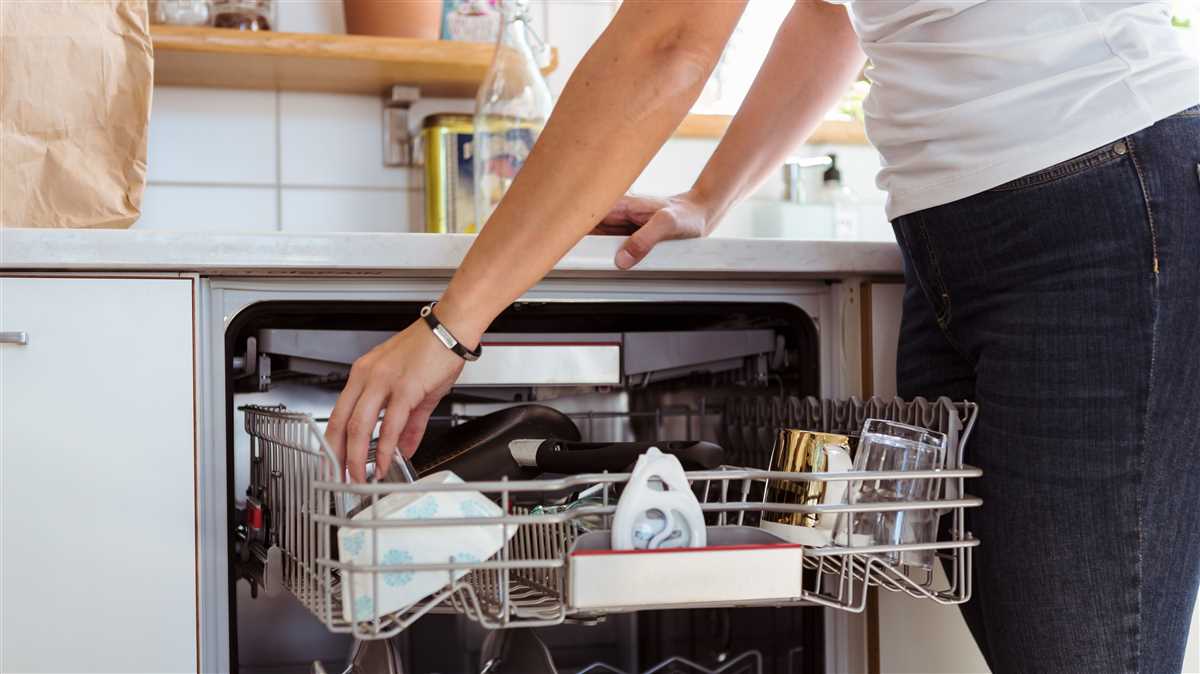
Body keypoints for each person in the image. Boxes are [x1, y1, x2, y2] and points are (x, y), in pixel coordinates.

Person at [325, 1, 1200, 671]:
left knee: (1085, 651)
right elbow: (829, 14)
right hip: (954, 235)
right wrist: (712, 192)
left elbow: (666, 42)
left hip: (1100, 203)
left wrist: (451, 325)